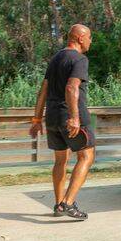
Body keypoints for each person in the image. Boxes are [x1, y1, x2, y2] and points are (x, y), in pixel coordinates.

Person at [31, 24, 95, 220]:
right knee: (86, 156)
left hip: (52, 116)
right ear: (81, 38)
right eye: (90, 37)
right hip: (69, 117)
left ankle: (58, 205)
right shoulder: (79, 59)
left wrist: (36, 119)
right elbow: (71, 88)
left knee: (60, 160)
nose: (91, 41)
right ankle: (68, 203)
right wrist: (75, 118)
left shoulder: (56, 58)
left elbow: (43, 90)